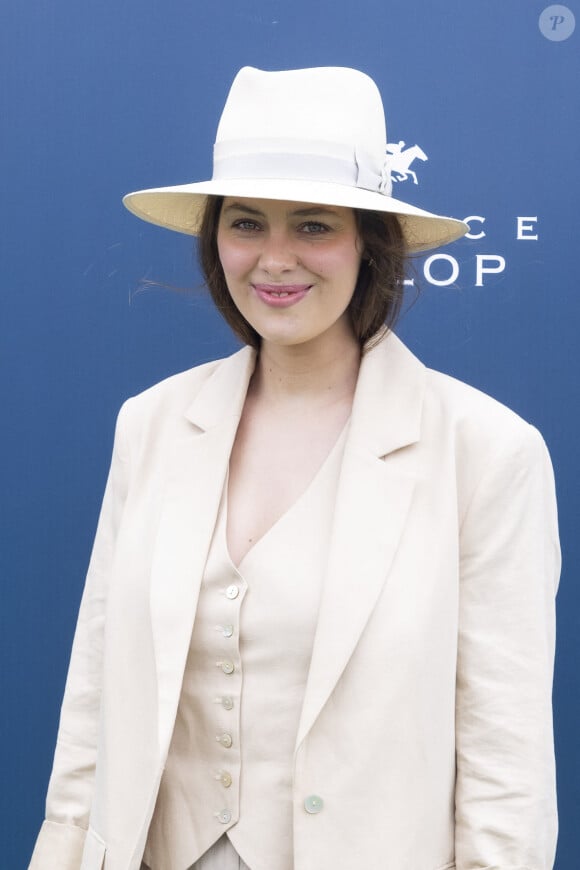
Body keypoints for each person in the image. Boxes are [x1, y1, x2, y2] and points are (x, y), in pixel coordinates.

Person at [29, 66, 560, 870]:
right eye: (246, 223)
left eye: (313, 226)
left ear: (369, 243)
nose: (274, 260)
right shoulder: (154, 424)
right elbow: (94, 702)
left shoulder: (485, 451)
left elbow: (505, 765)